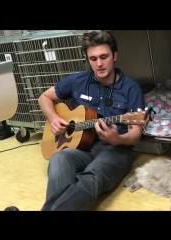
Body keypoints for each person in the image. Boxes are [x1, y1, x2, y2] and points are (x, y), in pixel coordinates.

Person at [29, 30, 145, 211]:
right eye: (93, 59)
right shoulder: (78, 80)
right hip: (81, 147)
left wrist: (118, 139)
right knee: (58, 159)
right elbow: (44, 97)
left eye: (104, 57)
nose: (99, 64)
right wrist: (53, 118)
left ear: (114, 56)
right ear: (88, 59)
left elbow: (135, 135)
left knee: (92, 176)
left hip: (115, 150)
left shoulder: (131, 89)